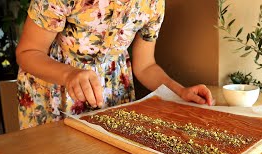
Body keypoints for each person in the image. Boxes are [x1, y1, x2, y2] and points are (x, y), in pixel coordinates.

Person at [16, 0, 214, 129]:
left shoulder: (153, 5)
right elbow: (27, 52)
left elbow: (145, 66)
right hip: (54, 90)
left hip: (113, 94)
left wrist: (179, 92)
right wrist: (69, 74)